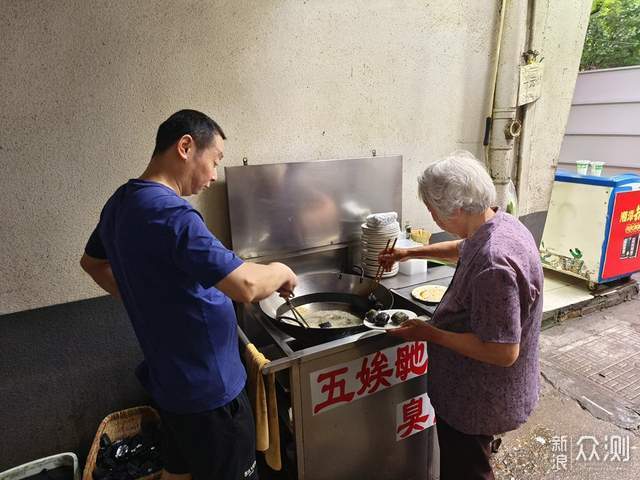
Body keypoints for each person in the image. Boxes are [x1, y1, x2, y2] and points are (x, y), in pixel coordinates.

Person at [80, 109, 297, 480]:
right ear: (185, 147)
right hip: (211, 395)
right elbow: (245, 286)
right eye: (214, 161)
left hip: (172, 390)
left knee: (177, 472)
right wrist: (281, 271)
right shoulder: (173, 215)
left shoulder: (121, 203)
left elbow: (92, 263)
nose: (214, 176)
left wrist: (143, 297)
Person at [379, 150, 542, 480]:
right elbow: (462, 248)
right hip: (486, 390)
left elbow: (502, 351)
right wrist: (409, 251)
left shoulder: (495, 264)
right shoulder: (499, 223)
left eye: (431, 209)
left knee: (467, 471)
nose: (432, 216)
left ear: (453, 210)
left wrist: (430, 333)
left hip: (477, 399)